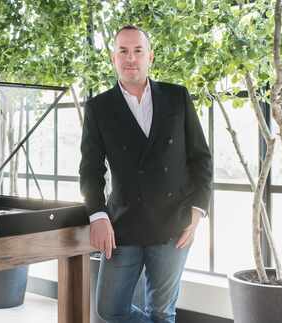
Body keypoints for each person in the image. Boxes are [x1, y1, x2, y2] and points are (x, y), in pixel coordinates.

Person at [79, 25, 212, 323]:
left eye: (138, 51)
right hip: (122, 225)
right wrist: (97, 216)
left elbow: (201, 159)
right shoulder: (98, 108)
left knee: (162, 312)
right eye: (123, 51)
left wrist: (198, 209)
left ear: (149, 56)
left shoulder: (177, 97)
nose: (131, 58)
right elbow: (90, 170)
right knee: (110, 310)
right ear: (113, 58)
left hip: (173, 224)